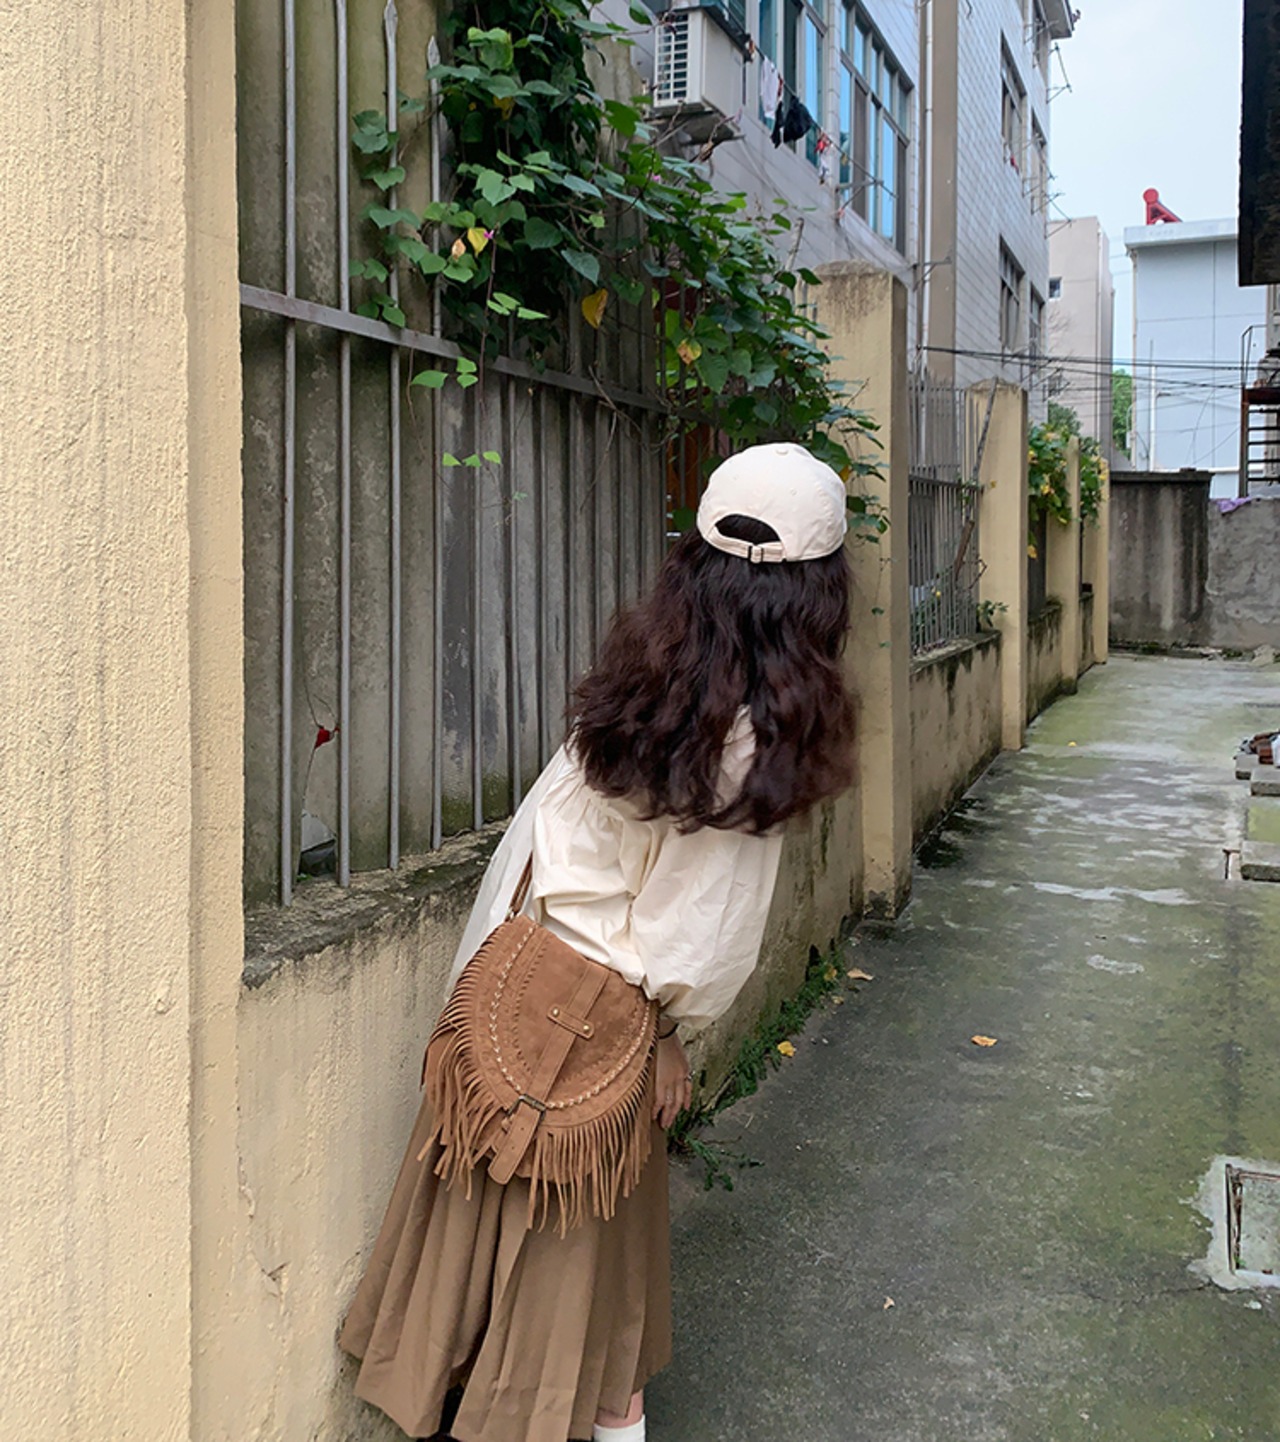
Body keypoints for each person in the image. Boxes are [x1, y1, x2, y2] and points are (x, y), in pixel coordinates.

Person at [339, 441, 857, 1442]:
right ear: (817, 590)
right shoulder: (756, 732)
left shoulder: (645, 667)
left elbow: (550, 828)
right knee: (592, 1309)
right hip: (606, 1027)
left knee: (475, 1261)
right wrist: (666, 1032)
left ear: (693, 558)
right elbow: (701, 935)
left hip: (509, 980)